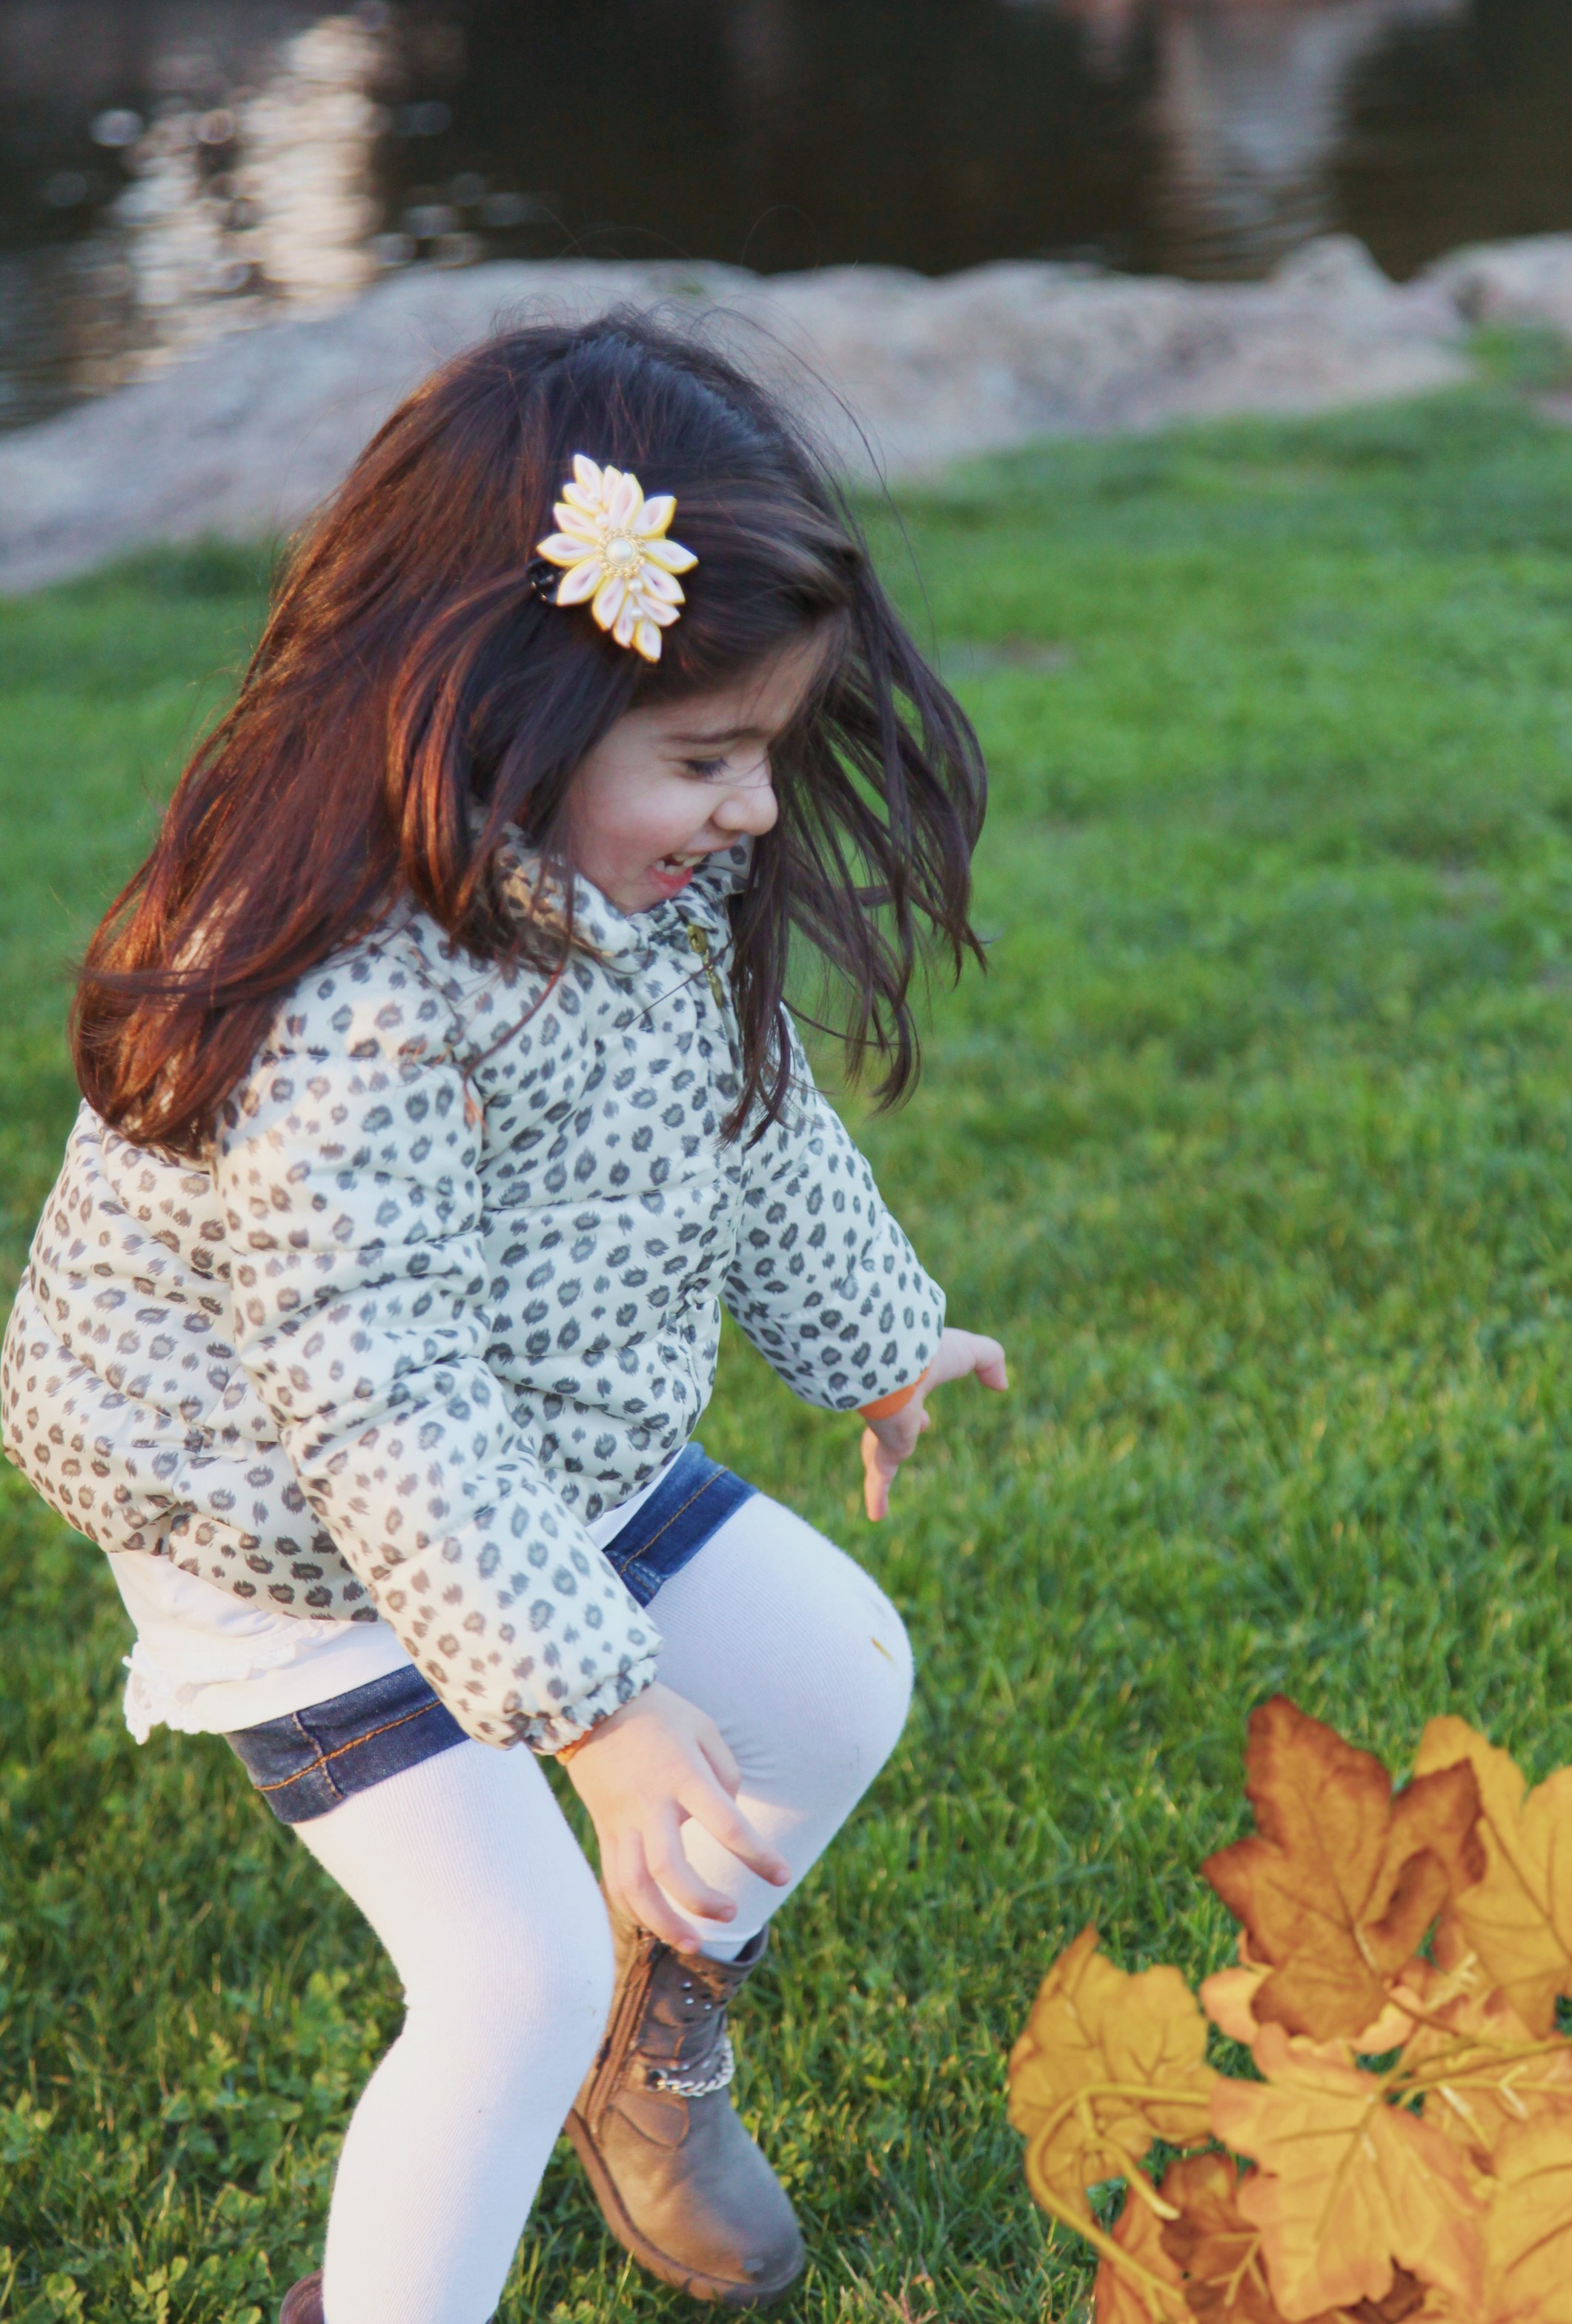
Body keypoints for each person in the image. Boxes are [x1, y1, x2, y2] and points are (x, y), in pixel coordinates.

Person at [1, 316, 1006, 2324]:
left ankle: (650, 2058)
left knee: (834, 1679)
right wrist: (601, 1712)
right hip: (283, 1524)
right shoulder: (345, 991)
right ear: (506, 713)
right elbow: (370, 1389)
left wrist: (877, 1337)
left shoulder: (636, 887)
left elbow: (749, 1115)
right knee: (510, 1970)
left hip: (532, 1446)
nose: (751, 812)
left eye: (765, 754)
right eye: (705, 760)